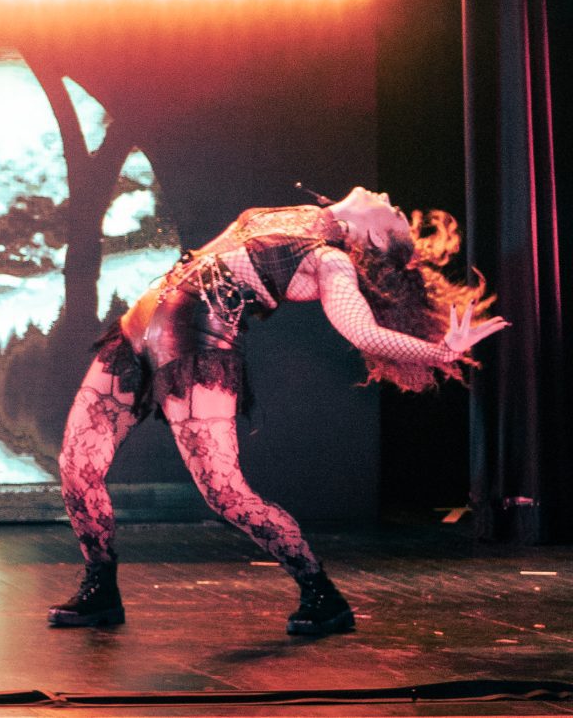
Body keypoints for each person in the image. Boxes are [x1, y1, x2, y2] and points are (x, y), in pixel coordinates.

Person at [50, 189, 505, 635]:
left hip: (196, 348)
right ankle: (100, 588)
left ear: (376, 239)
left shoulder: (330, 261)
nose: (386, 194)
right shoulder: (297, 214)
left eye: (395, 210)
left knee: (224, 492)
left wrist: (440, 352)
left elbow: (361, 330)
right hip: (137, 329)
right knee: (77, 463)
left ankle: (321, 594)